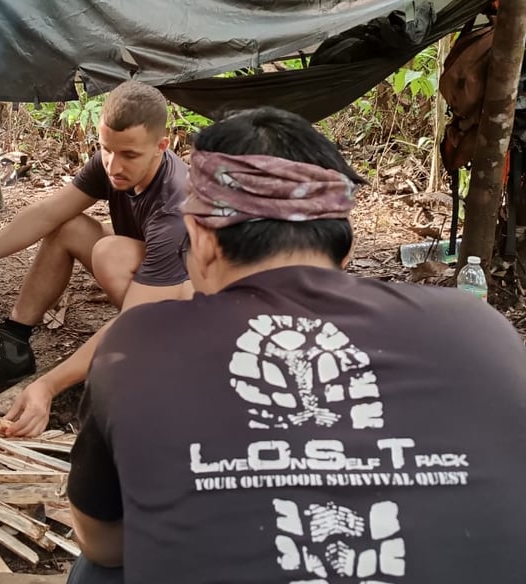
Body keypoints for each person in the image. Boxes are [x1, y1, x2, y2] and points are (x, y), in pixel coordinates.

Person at [66, 106, 526, 584]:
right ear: (343, 248)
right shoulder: (479, 327)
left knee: (96, 571)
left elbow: (102, 540)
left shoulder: (138, 345)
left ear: (200, 240)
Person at [0, 81, 192, 437]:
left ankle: (151, 359)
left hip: (192, 315)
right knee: (67, 225)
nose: (114, 165)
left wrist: (48, 386)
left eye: (129, 155)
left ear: (161, 147)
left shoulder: (174, 206)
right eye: (106, 150)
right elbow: (47, 213)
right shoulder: (112, 163)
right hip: (152, 288)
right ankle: (12, 346)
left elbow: (135, 318)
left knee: (111, 253)